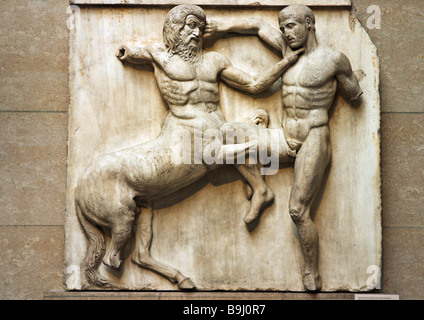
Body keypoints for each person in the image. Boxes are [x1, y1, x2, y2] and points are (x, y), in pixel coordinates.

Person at [76, 4, 302, 290]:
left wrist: (287, 61)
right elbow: (127, 50)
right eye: (188, 26)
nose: (195, 33)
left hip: (214, 132)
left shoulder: (215, 61)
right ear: (174, 30)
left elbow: (256, 85)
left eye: (199, 26)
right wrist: (128, 51)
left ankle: (259, 188)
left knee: (244, 127)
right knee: (240, 141)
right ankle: (115, 256)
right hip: (183, 136)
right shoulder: (159, 56)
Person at [206, 4, 363, 291]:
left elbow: (354, 94)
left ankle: (311, 270)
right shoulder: (285, 51)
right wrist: (219, 27)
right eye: (282, 28)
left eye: (291, 26)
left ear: (309, 23)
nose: (286, 33)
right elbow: (255, 26)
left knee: (297, 210)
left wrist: (353, 81)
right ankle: (260, 189)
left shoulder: (334, 60)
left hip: (313, 139)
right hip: (282, 136)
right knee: (228, 133)